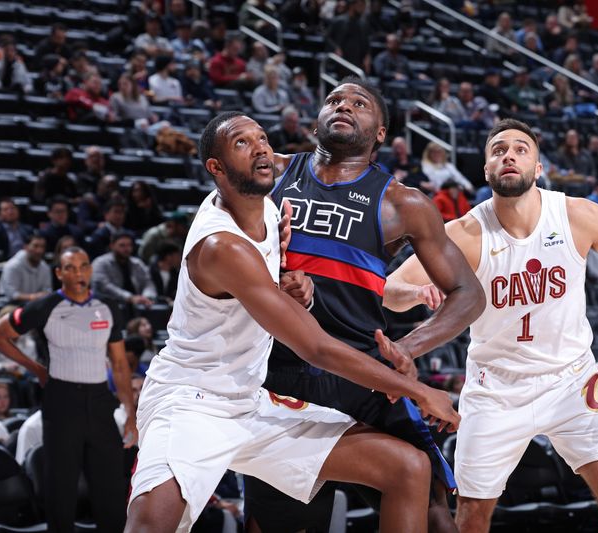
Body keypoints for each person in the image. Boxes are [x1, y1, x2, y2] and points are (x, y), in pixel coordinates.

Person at [123, 112, 460, 532]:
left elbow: (263, 288)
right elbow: (315, 346)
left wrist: (293, 284)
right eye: (242, 143)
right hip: (192, 399)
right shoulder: (220, 244)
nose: (261, 147)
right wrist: (418, 390)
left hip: (248, 400)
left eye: (262, 137)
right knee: (151, 525)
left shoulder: (267, 210)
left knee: (407, 468)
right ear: (216, 168)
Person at [385, 118, 598, 533]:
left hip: (571, 380)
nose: (509, 155)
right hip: (496, 388)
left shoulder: (577, 215)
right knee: (471, 518)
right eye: (498, 149)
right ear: (485, 169)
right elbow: (389, 289)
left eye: (521, 149)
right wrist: (415, 293)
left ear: (537, 168)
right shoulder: (464, 233)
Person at [251, 78, 485, 532]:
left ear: (380, 133)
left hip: (364, 373)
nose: (344, 106)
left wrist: (409, 348)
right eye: (334, 100)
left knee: (432, 503)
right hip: (280, 369)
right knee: (275, 521)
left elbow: (469, 293)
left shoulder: (404, 203)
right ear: (316, 121)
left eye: (359, 103)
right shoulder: (271, 174)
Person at [0, 247, 136, 532]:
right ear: (59, 273)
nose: (78, 273)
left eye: (83, 266)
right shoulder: (46, 306)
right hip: (62, 402)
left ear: (90, 270)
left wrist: (130, 412)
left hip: (101, 401)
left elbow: (119, 364)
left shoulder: (108, 306)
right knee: (61, 491)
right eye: (70, 267)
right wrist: (36, 368)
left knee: (111, 491)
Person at [91, 232, 156, 308]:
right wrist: (129, 297)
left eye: (129, 245)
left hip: (137, 304)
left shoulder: (137, 263)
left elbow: (148, 283)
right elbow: (105, 286)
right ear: (112, 246)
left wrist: (146, 297)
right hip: (109, 305)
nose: (126, 249)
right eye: (122, 245)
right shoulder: (100, 263)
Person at [0, 234, 52, 305]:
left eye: (42, 247)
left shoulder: (45, 267)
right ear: (26, 247)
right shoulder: (12, 266)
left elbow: (47, 291)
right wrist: (33, 297)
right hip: (11, 306)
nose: (39, 251)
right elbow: (12, 294)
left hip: (35, 307)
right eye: (35, 246)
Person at [0, 198, 34, 262]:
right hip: (5, 262)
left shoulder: (28, 229)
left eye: (13, 208)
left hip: (27, 261)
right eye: (5, 209)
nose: (10, 212)